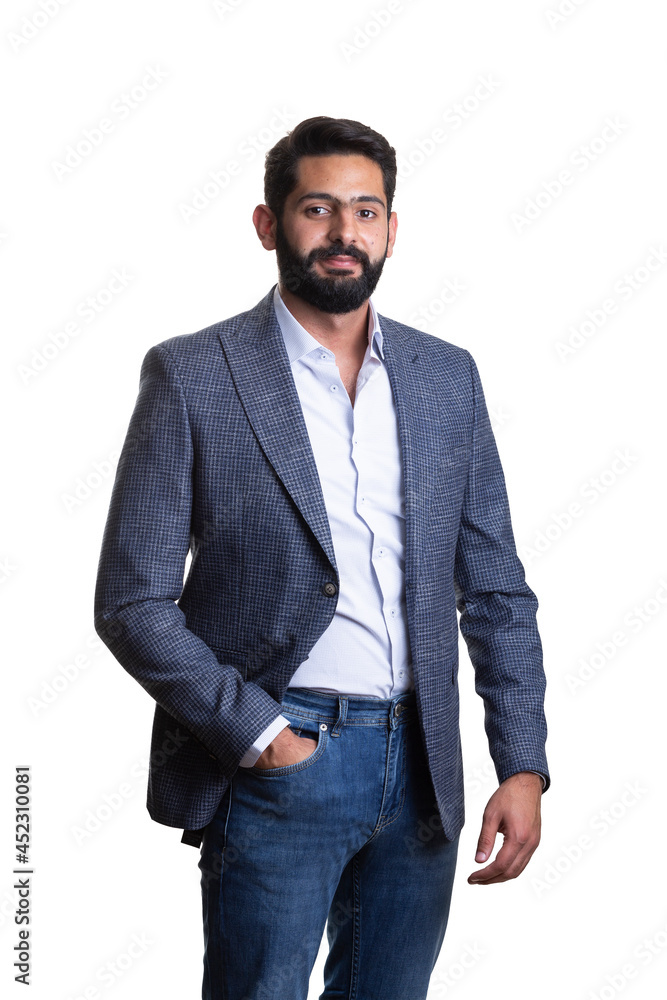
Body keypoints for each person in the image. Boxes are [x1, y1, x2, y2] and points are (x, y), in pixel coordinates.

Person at [94, 115, 550, 1000]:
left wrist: (521, 763)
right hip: (281, 755)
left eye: (366, 211)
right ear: (268, 224)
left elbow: (495, 590)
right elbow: (132, 603)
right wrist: (260, 737)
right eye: (317, 209)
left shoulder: (446, 376)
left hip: (424, 768)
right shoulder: (194, 374)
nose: (345, 232)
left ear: (391, 228)